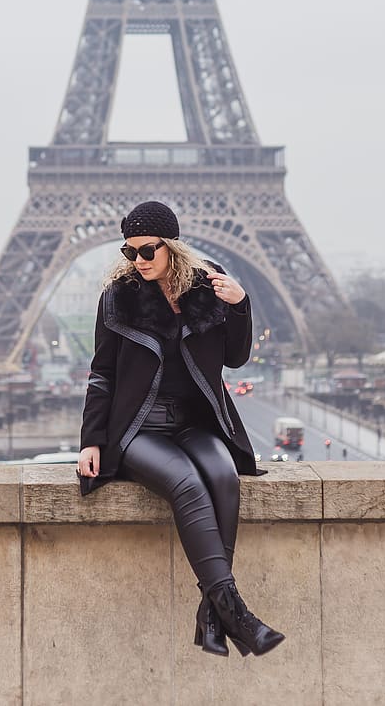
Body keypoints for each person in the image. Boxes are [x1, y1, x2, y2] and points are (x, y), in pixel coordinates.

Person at [76, 200, 285, 658]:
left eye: (147, 250)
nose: (139, 260)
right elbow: (102, 372)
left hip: (194, 423)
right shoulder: (118, 295)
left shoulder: (208, 286)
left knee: (225, 477)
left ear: (171, 246)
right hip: (138, 430)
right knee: (187, 484)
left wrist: (241, 305)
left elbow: (235, 357)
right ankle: (236, 614)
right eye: (130, 252)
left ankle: (212, 616)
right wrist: (91, 440)